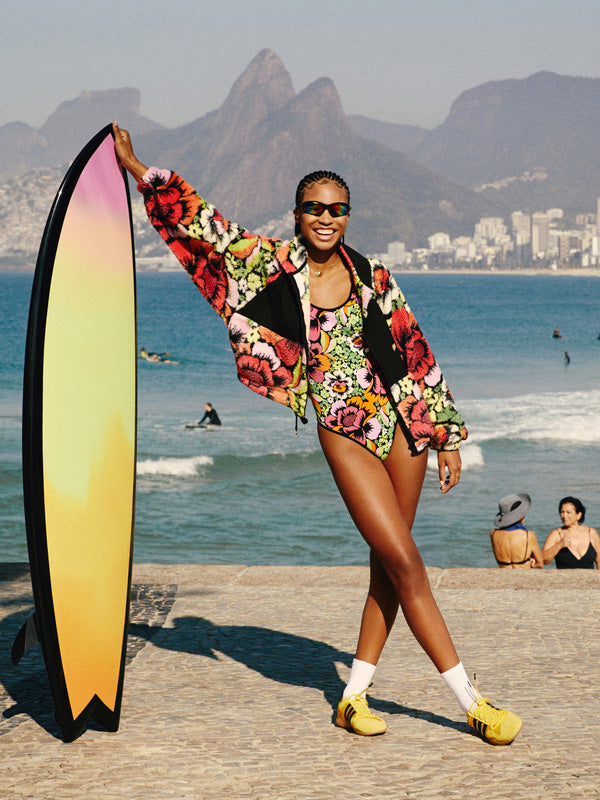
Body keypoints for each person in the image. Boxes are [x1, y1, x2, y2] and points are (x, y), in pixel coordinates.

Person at [113, 122, 522, 745]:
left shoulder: (375, 277)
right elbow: (208, 231)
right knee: (408, 562)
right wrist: (142, 170)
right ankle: (471, 700)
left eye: (338, 209)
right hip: (343, 427)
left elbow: (415, 350)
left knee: (389, 569)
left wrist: (446, 434)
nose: (326, 218)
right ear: (297, 214)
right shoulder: (274, 267)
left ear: (348, 217)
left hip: (404, 427)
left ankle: (352, 698)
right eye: (315, 208)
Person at [542, 496, 600, 569]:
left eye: (568, 512)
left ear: (578, 515)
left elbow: (599, 560)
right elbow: (543, 560)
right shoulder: (556, 534)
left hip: (589, 580)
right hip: (563, 579)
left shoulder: (591, 533)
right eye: (562, 512)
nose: (564, 516)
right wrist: (559, 545)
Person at [489, 493, 544, 569]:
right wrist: (531, 563)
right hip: (522, 577)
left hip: (503, 576)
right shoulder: (528, 536)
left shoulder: (493, 534)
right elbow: (540, 564)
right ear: (520, 516)